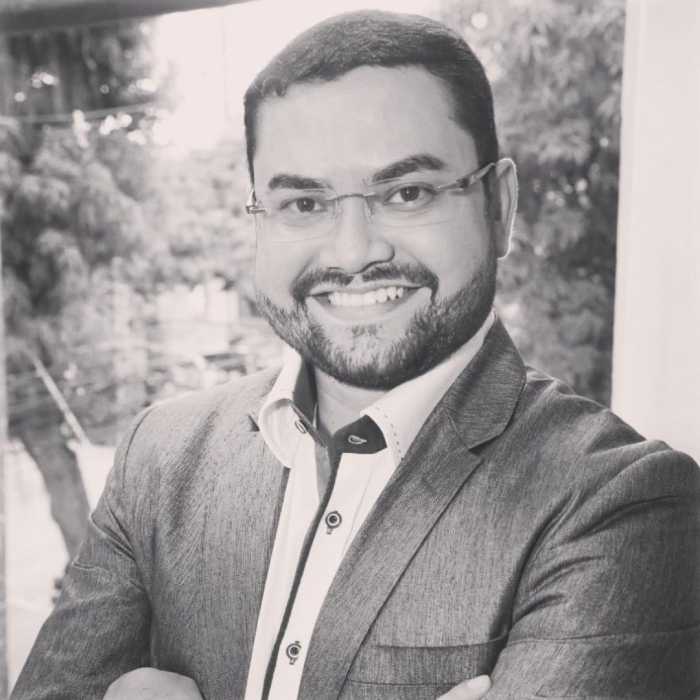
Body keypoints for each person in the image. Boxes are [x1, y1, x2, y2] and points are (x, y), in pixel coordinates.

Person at [12, 10, 700, 700]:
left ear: (500, 206)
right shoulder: (160, 456)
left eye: (407, 193)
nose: (353, 252)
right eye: (303, 203)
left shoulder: (623, 504)